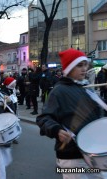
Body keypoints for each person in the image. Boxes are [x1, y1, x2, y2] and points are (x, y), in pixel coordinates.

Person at [36, 48, 106, 179]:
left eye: (85, 64)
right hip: (72, 155)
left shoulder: (85, 88)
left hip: (93, 152)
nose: (84, 68)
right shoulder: (59, 91)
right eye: (79, 65)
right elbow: (44, 118)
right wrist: (56, 130)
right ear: (69, 68)